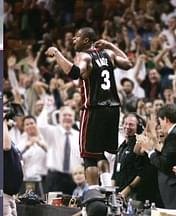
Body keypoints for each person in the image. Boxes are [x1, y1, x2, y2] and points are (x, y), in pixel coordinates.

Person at [46, 27, 133, 194]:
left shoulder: (84, 56)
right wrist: (111, 45)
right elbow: (128, 63)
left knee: (88, 157)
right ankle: (108, 192)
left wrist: (57, 53)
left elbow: (74, 72)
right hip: (113, 109)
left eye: (77, 37)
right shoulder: (109, 55)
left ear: (86, 40)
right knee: (101, 154)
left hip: (94, 109)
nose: (73, 40)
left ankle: (93, 194)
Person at [139, 104, 176, 209]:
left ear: (166, 120)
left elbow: (164, 164)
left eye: (160, 122)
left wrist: (149, 151)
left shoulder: (173, 135)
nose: (160, 125)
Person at [41, 106, 83, 195]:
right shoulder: (52, 131)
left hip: (73, 178)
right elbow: (41, 126)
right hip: (55, 177)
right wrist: (46, 109)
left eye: (70, 115)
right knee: (52, 206)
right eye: (64, 115)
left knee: (72, 207)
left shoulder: (79, 135)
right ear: (59, 118)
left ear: (74, 118)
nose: (67, 117)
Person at [3, 113, 23, 216]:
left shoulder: (11, 140)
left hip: (11, 195)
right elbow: (6, 146)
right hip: (3, 195)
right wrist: (2, 120)